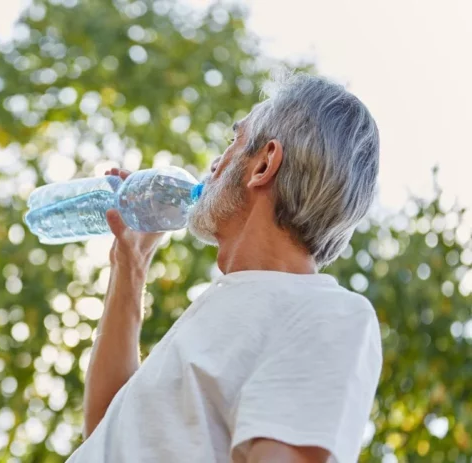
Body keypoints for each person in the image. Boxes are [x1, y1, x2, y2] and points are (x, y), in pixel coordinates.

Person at [68, 74, 382, 463]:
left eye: (233, 141)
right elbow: (106, 434)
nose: (214, 164)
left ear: (264, 163)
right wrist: (130, 266)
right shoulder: (221, 309)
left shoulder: (325, 314)